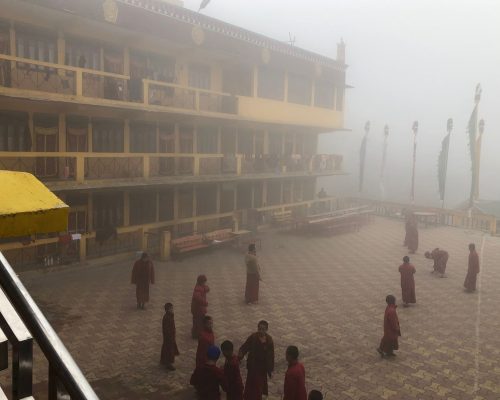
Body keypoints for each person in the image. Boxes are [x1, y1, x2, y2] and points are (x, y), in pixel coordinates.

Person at [239, 320, 274, 400]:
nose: (261, 331)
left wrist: (270, 368)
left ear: (266, 329)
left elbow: (271, 355)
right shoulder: (253, 337)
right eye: (259, 329)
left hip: (262, 368)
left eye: (263, 329)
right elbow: (245, 347)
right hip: (253, 366)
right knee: (251, 385)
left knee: (259, 386)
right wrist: (239, 356)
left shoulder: (269, 340)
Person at [160, 303, 179, 371]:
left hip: (171, 336)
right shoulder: (166, 317)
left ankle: (163, 360)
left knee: (166, 347)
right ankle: (168, 363)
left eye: (172, 308)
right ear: (167, 310)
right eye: (171, 309)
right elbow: (167, 329)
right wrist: (170, 337)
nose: (172, 310)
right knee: (169, 350)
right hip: (169, 337)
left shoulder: (170, 316)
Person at [192, 275, 210, 339]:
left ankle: (197, 333)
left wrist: (205, 288)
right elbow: (199, 299)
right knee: (199, 322)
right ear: (201, 282)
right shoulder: (197, 290)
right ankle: (197, 334)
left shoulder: (201, 287)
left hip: (199, 308)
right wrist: (205, 303)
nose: (205, 283)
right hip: (198, 309)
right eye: (204, 282)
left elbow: (207, 288)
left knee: (198, 321)